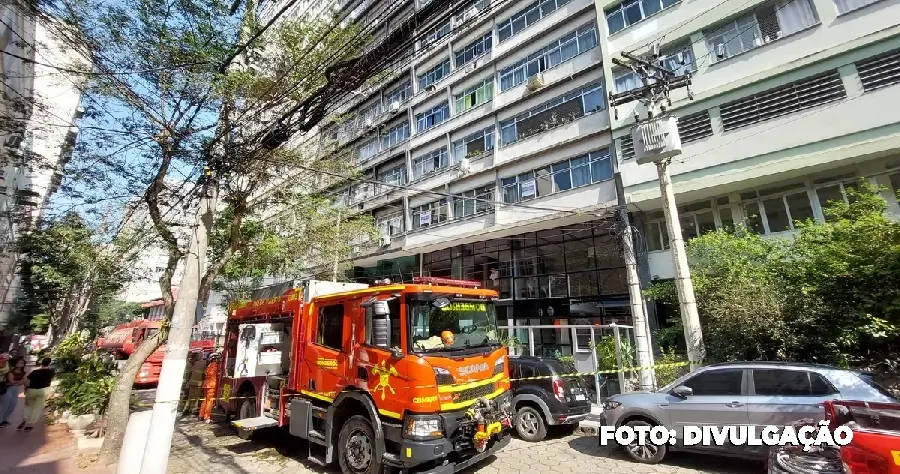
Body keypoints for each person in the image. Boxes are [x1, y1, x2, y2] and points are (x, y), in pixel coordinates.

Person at [19, 357, 54, 430]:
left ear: (42, 363)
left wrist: (25, 388)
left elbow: (26, 380)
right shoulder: (51, 372)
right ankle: (30, 423)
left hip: (31, 390)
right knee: (38, 407)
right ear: (49, 364)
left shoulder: (34, 372)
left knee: (28, 406)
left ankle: (25, 419)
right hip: (43, 390)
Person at [0, 357, 27, 427]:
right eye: (19, 362)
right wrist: (19, 382)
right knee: (4, 406)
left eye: (22, 362)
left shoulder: (23, 372)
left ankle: (4, 420)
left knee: (12, 405)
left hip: (15, 389)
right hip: (8, 389)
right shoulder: (10, 372)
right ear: (15, 364)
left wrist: (18, 382)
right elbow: (11, 381)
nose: (20, 364)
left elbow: (23, 381)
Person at [199, 353, 221, 422]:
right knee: (210, 401)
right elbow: (216, 374)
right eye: (218, 358)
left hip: (207, 385)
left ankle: (201, 415)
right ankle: (206, 417)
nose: (219, 360)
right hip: (212, 385)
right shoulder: (215, 365)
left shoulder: (209, 365)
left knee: (205, 400)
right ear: (214, 359)